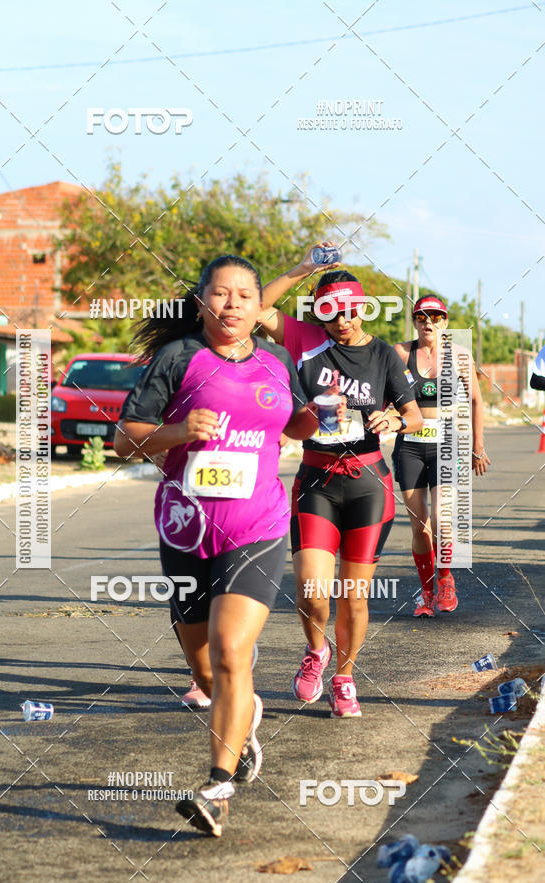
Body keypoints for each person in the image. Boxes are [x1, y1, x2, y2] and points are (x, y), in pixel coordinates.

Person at [114, 255, 322, 837]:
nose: (231, 304)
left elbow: (297, 423)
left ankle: (218, 787)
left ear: (261, 307)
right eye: (220, 294)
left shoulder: (279, 361)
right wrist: (180, 431)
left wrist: (318, 414)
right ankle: (243, 712)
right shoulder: (178, 358)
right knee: (207, 673)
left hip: (257, 526)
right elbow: (124, 439)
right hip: (186, 528)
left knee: (234, 650)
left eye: (243, 295)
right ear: (202, 300)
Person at [257, 248, 422, 717]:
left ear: (362, 307)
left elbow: (411, 413)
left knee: (353, 595)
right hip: (316, 480)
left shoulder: (384, 355)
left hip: (370, 483)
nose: (342, 322)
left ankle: (345, 678)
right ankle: (316, 652)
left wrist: (396, 421)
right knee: (313, 592)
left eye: (350, 311)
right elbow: (259, 308)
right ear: (319, 314)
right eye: (331, 314)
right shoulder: (306, 340)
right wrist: (304, 269)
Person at [392, 296, 490, 616]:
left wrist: (478, 447)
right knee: (420, 525)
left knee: (443, 520)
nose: (428, 322)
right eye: (421, 317)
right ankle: (427, 591)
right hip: (409, 445)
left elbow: (476, 401)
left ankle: (445, 578)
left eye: (435, 316)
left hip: (448, 444)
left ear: (445, 322)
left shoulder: (459, 356)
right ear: (415, 321)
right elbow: (384, 395)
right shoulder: (400, 353)